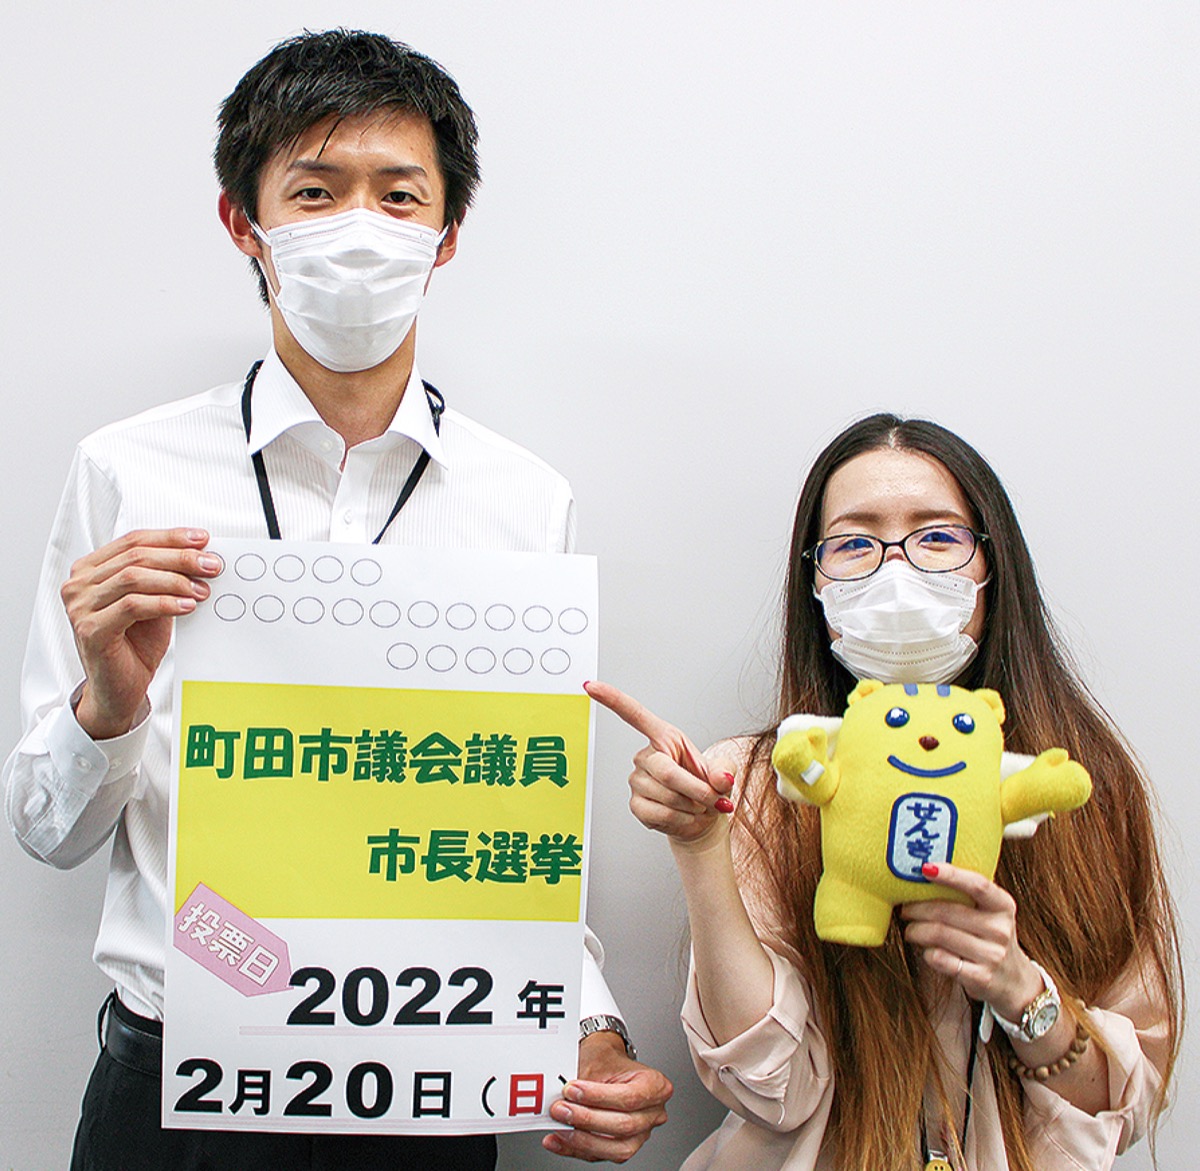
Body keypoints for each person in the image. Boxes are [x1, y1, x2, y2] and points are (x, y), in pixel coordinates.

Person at [2, 29, 670, 1170]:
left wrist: (592, 1032)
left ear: (446, 234)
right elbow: (45, 834)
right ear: (244, 222)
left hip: (426, 1088)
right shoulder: (127, 470)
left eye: (399, 194)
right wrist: (108, 705)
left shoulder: (524, 498)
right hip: (175, 1088)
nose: (359, 226)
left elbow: (510, 832)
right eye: (315, 192)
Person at [587, 413, 1182, 1169]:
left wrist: (1019, 988)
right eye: (854, 544)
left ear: (992, 566)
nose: (896, 573)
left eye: (937, 538)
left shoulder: (1074, 786)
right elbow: (771, 1089)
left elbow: (1123, 1104)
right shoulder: (763, 782)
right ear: (814, 582)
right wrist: (701, 844)